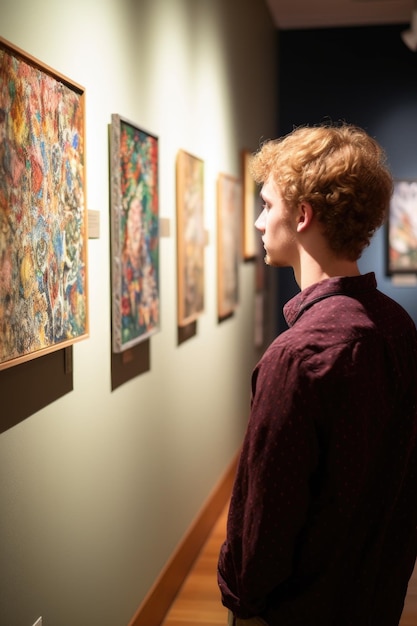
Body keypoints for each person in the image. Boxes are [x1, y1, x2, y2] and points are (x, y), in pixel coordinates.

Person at [217, 123, 417, 626]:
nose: (261, 223)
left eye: (268, 204)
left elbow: (264, 522)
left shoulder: (298, 355)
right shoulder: (397, 326)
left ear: (302, 215)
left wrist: (243, 603)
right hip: (376, 595)